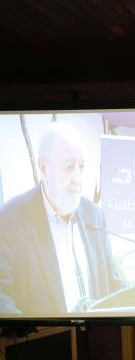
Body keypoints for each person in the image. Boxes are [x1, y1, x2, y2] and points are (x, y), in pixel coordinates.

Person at [0, 122, 123, 315]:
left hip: (97, 340)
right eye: (69, 167)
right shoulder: (11, 218)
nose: (77, 178)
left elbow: (114, 283)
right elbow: (2, 295)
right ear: (44, 167)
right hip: (43, 343)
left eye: (81, 167)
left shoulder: (94, 216)